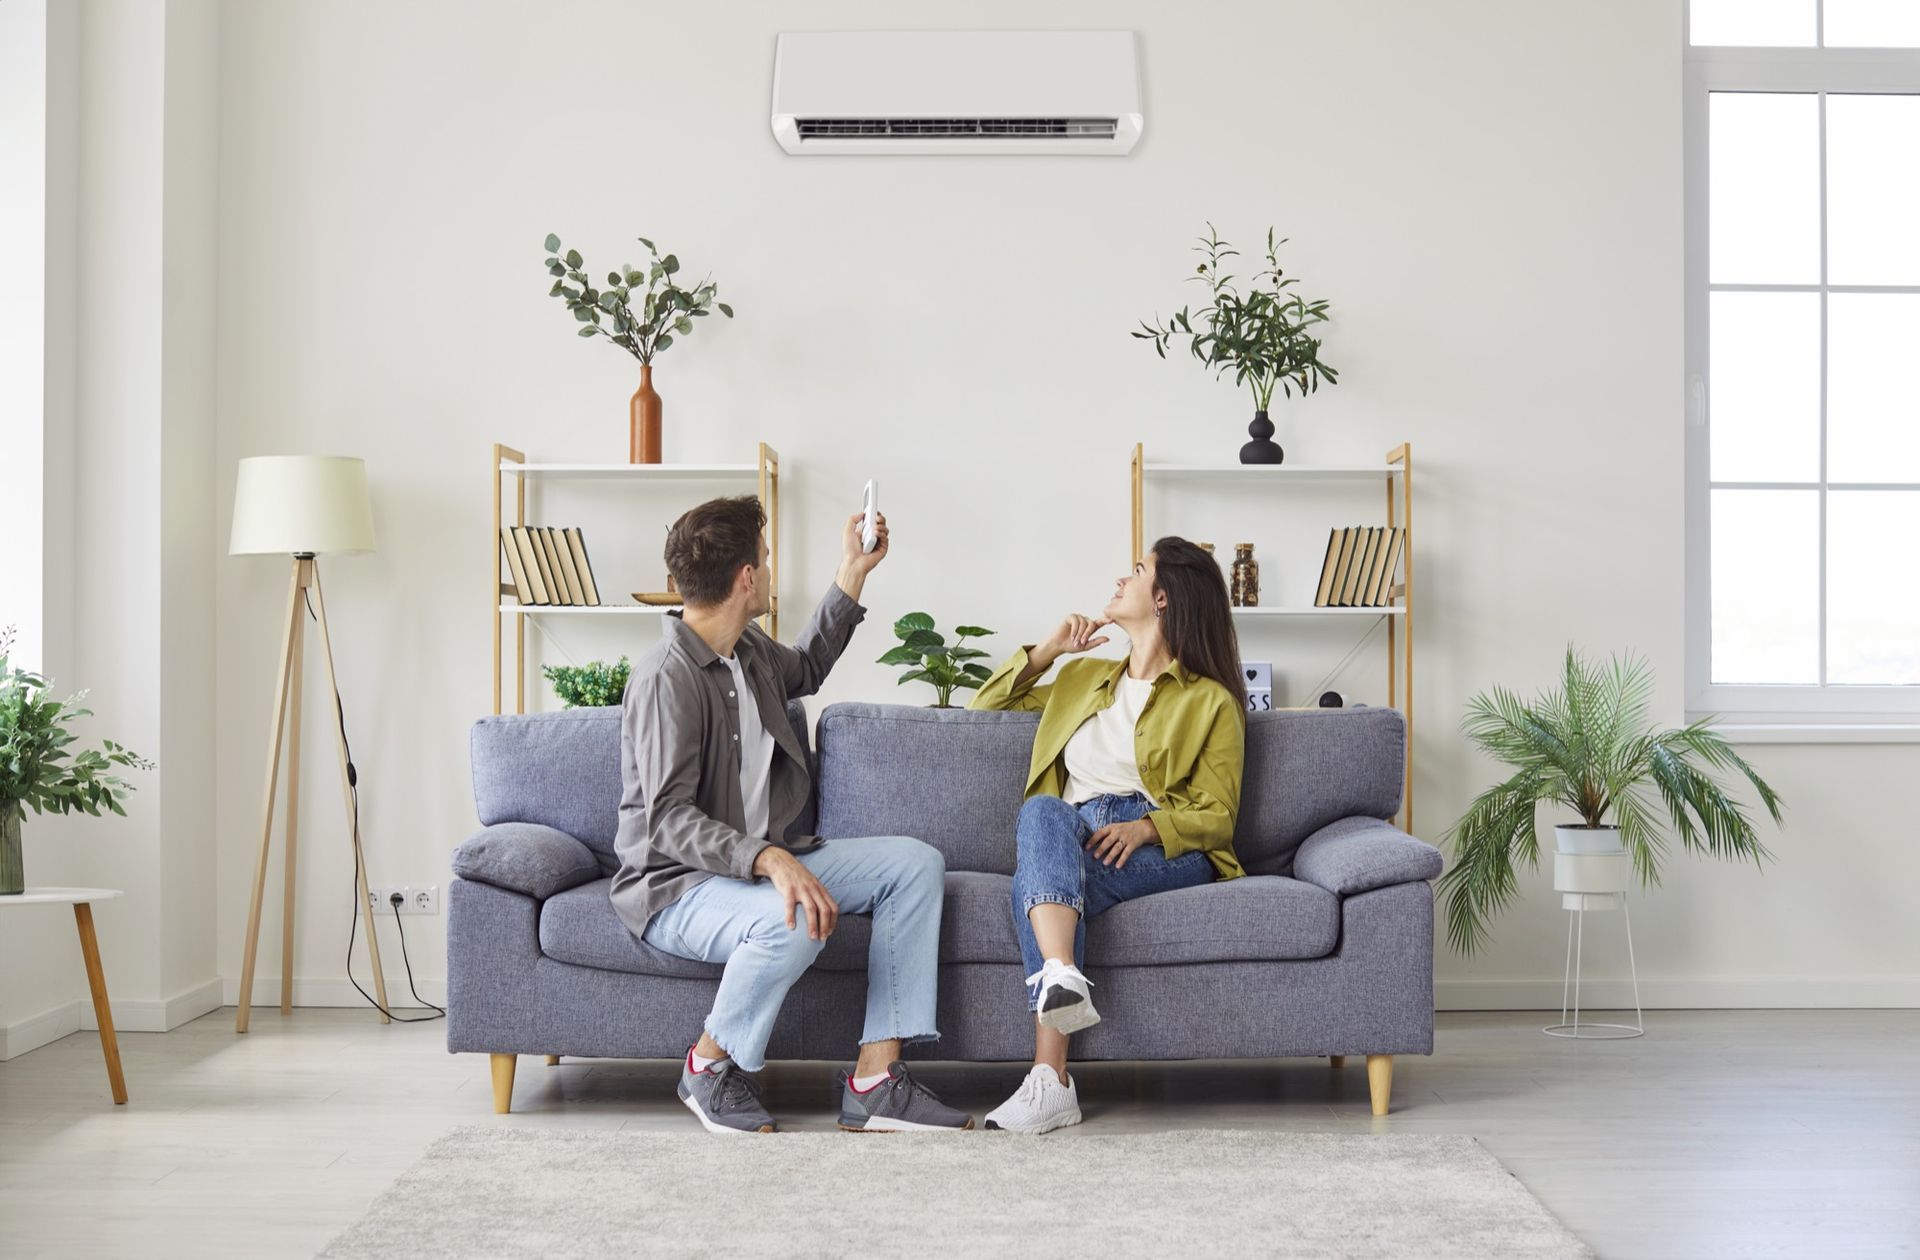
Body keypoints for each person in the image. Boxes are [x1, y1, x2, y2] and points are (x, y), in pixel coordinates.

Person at [610, 494, 971, 1135]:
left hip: (752, 867)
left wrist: (852, 571)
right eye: (766, 560)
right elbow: (666, 819)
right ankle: (709, 1066)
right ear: (746, 579)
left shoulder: (746, 652)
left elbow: (805, 666)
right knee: (799, 918)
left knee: (915, 865)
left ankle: (875, 1083)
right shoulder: (668, 677)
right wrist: (768, 857)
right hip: (677, 886)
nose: (770, 571)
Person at [968, 537, 1248, 1134]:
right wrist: (1047, 651)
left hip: (1160, 848)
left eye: (1139, 571)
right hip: (1071, 835)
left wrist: (1148, 826)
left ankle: (1051, 1078)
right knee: (1042, 813)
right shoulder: (1084, 678)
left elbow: (1219, 815)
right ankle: (1061, 979)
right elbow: (983, 708)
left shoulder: (1210, 700)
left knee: (1034, 887)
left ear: (1164, 598)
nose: (1122, 579)